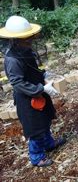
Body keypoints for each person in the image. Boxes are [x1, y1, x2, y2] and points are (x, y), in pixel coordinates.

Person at [0, 15, 66, 167]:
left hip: (39, 90)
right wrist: (40, 88)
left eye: (30, 37)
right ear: (15, 40)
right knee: (35, 127)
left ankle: (49, 143)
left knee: (45, 119)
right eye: (26, 39)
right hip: (27, 98)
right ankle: (36, 156)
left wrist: (43, 74)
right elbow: (17, 82)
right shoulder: (12, 60)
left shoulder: (26, 51)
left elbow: (33, 69)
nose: (30, 41)